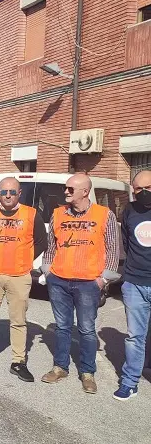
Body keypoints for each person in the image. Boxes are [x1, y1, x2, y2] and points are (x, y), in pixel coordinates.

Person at [40, 173, 119, 394]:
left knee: (86, 329)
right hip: (59, 280)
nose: (66, 192)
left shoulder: (105, 215)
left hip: (88, 283)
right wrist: (48, 271)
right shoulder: (57, 214)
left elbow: (113, 248)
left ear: (85, 191)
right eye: (66, 188)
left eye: (70, 189)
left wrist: (102, 279)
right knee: (63, 327)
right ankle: (60, 367)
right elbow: (51, 246)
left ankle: (87, 372)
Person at [0, 176, 46, 382]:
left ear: (19, 193)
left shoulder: (31, 214)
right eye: (4, 192)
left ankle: (18, 362)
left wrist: (24, 259)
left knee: (19, 320)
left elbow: (41, 242)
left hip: (20, 275)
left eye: (12, 192)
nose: (8, 196)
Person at [114, 170, 151, 401]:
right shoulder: (129, 210)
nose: (143, 193)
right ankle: (130, 381)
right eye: (138, 189)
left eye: (148, 188)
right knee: (135, 336)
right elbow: (127, 241)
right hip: (135, 282)